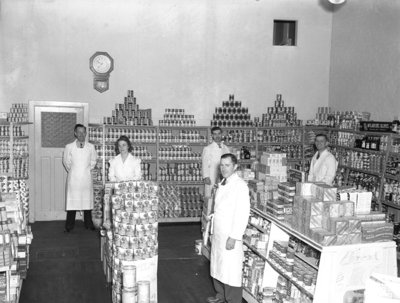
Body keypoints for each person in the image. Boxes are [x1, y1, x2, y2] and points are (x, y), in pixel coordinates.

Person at [208, 153, 250, 303]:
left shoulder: (240, 186)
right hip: (219, 232)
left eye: (228, 165)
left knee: (230, 270)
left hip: (230, 234)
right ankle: (220, 296)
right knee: (217, 265)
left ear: (235, 166)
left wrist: (234, 236)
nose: (224, 168)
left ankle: (232, 300)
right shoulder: (223, 182)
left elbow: (242, 214)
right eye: (222, 165)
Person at [63, 124, 97, 232]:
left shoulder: (91, 147)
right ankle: (69, 225)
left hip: (86, 177)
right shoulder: (69, 147)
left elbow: (93, 161)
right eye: (79, 132)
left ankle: (88, 223)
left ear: (86, 133)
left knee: (87, 201)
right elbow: (66, 162)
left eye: (84, 132)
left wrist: (85, 170)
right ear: (75, 133)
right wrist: (74, 171)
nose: (82, 134)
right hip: (74, 178)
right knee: (72, 201)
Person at [202, 126, 230, 198]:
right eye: (215, 134)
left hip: (224, 175)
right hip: (212, 175)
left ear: (221, 134)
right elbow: (204, 163)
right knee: (211, 196)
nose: (217, 136)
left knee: (223, 196)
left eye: (219, 133)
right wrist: (206, 177)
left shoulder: (225, 148)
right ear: (212, 135)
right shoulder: (208, 148)